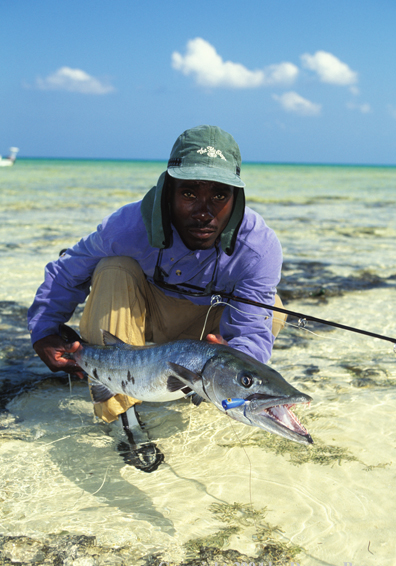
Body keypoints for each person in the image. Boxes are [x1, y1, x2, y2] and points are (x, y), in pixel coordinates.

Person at [28, 125, 286, 471]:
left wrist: (237, 360)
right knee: (113, 267)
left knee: (275, 308)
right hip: (144, 314)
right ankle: (122, 415)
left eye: (219, 196)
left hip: (205, 330)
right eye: (190, 194)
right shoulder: (128, 225)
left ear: (236, 198)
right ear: (168, 191)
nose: (204, 211)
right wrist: (44, 331)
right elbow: (68, 271)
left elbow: (253, 332)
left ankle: (201, 387)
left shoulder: (259, 246)